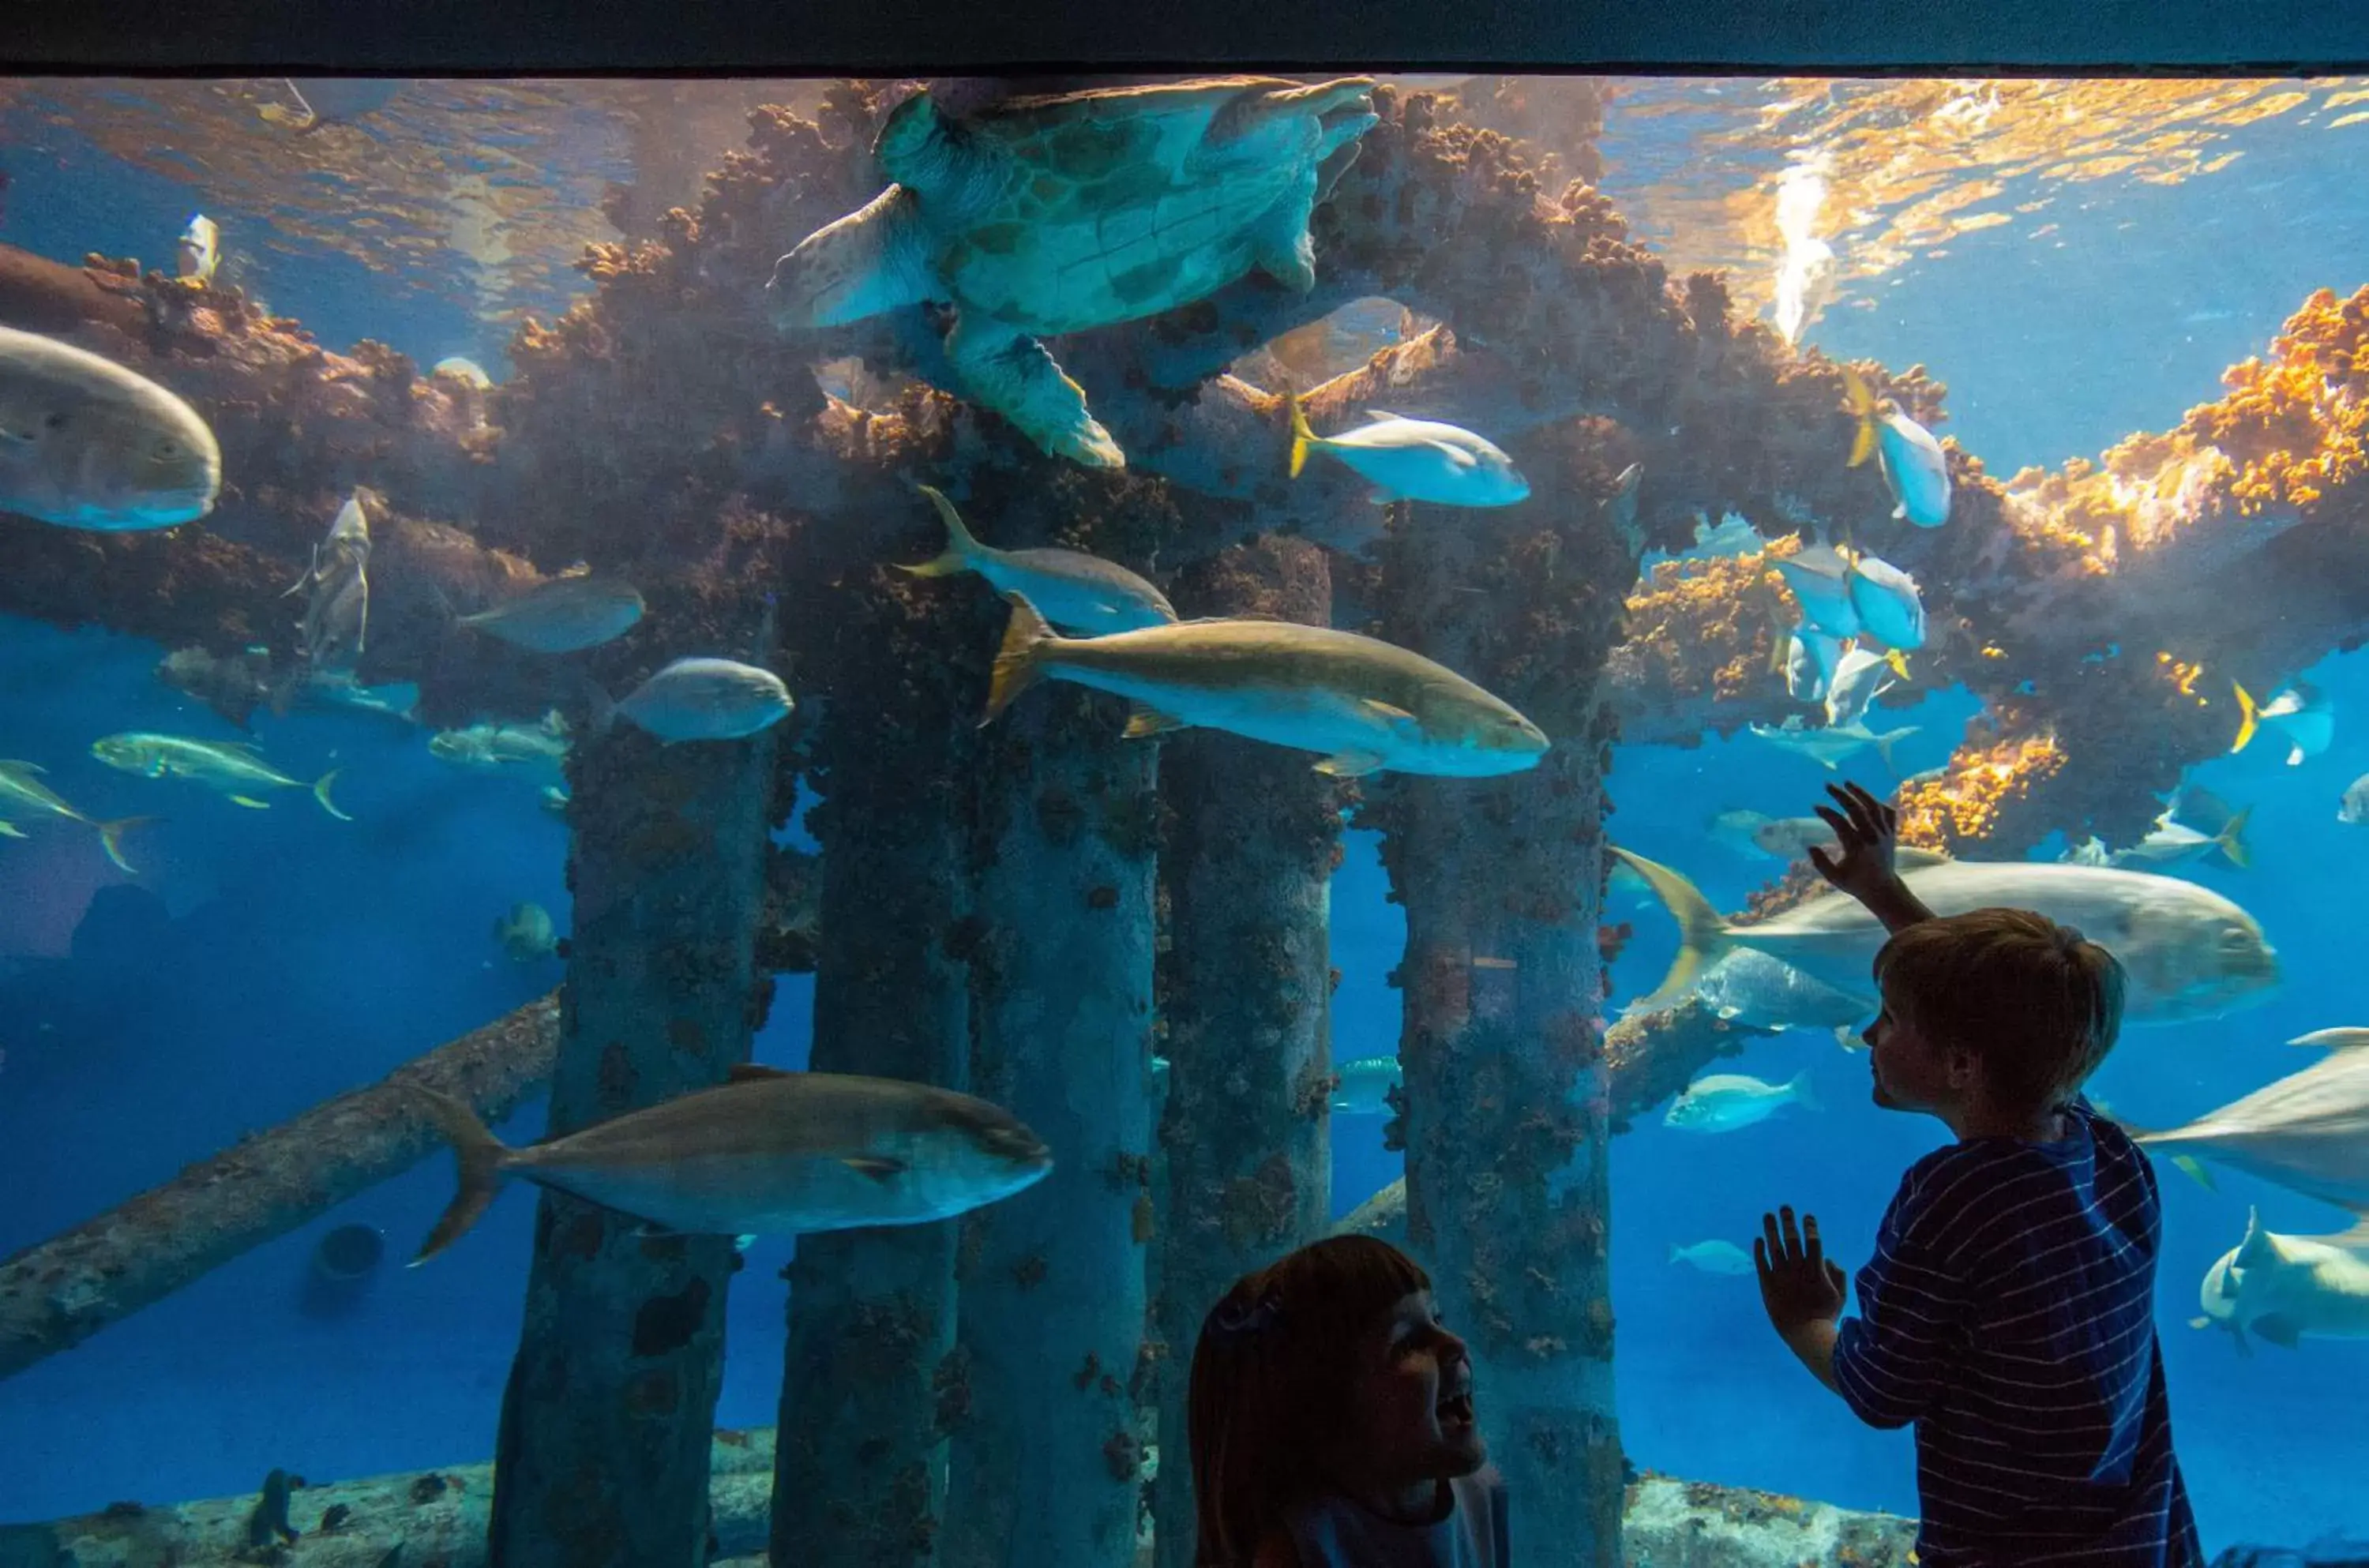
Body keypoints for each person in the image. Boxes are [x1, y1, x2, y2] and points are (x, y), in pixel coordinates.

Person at [1754, 779, 2204, 1566]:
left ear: (1961, 1064)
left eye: (1889, 1017)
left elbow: (1882, 1391)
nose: (1867, 1030)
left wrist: (1804, 1321)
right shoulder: (2109, 1153)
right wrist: (1885, 893)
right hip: (2144, 1540)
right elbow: (2017, 1019)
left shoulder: (1957, 1199)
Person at [1187, 1234, 1509, 1567]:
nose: (1456, 1343)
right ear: (1326, 1411)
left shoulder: (1483, 1495)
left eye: (1437, 1318)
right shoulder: (1299, 1552)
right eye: (1409, 1343)